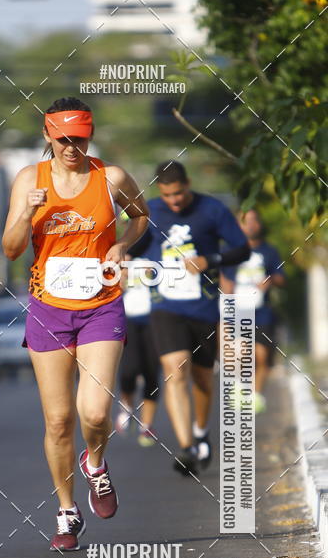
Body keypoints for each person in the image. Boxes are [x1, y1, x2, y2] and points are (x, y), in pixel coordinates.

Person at [2, 97, 148, 550]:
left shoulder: (112, 178)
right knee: (60, 419)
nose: (71, 147)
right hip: (49, 309)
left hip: (102, 304)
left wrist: (123, 245)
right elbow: (9, 249)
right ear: (48, 136)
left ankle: (97, 464)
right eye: (63, 139)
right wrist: (27, 212)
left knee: (95, 412)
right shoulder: (30, 179)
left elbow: (142, 217)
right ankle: (67, 511)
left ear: (90, 135)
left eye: (79, 138)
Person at [144, 161, 250, 476]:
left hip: (203, 307)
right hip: (165, 306)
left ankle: (201, 431)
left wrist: (211, 259)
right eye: (167, 195)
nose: (174, 201)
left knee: (202, 377)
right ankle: (187, 447)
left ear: (188, 184)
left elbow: (242, 250)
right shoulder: (148, 212)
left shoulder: (212, 209)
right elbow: (132, 246)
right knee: (175, 371)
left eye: (178, 193)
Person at [237, 208, 285, 414]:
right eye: (245, 221)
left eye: (254, 220)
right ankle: (241, 389)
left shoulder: (270, 251)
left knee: (262, 355)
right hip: (237, 310)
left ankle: (256, 396)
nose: (250, 225)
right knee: (242, 353)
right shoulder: (231, 250)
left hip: (262, 311)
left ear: (260, 224)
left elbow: (281, 278)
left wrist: (270, 280)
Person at [115, 227, 160, 446]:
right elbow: (114, 290)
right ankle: (127, 407)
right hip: (129, 319)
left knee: (151, 372)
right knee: (130, 369)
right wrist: (121, 278)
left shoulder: (156, 255)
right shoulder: (121, 256)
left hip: (154, 320)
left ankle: (147, 426)